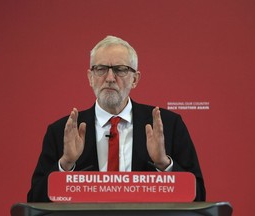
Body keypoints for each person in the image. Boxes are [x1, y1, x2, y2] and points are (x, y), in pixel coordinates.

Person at [27, 35, 206, 202]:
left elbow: (198, 196)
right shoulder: (61, 131)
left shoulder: (169, 126)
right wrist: (65, 164)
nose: (110, 78)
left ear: (135, 79)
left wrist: (164, 165)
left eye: (120, 70)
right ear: (90, 77)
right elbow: (35, 200)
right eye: (101, 69)